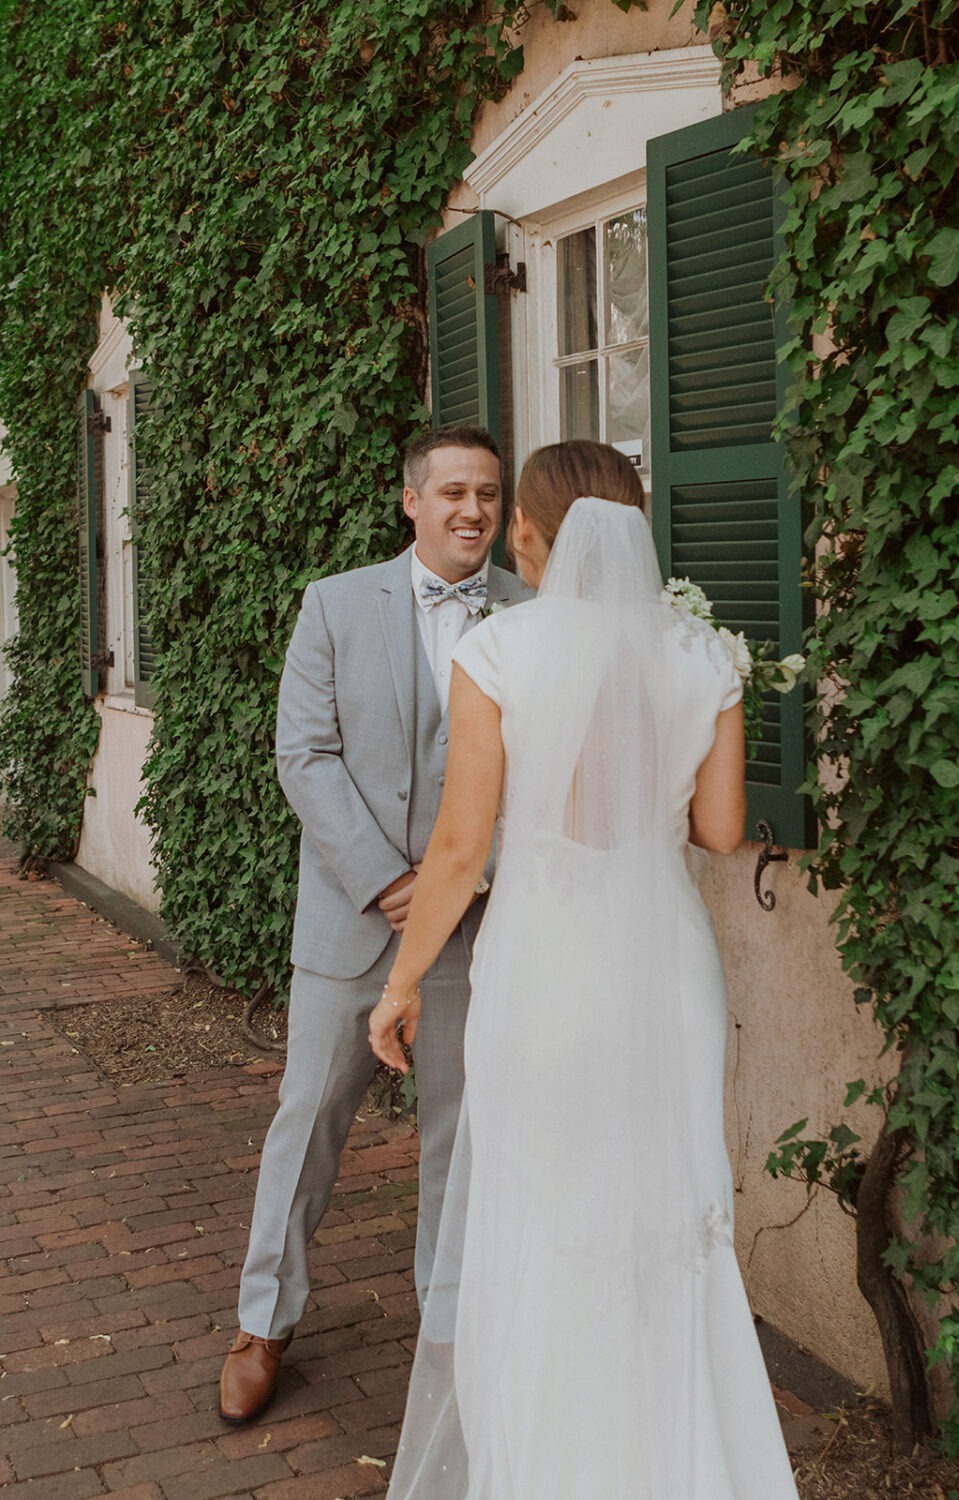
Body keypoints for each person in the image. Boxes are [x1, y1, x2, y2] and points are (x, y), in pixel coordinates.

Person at [369, 439, 800, 1498]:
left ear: (528, 530)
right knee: (664, 1229)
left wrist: (399, 982)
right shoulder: (706, 656)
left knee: (544, 1224)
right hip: (665, 970)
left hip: (548, 970)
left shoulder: (498, 653)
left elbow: (462, 852)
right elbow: (720, 828)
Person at [218, 425, 531, 1425]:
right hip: (353, 922)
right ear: (411, 501)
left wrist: (458, 880)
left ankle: (445, 1334)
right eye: (450, 492)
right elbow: (302, 753)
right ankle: (263, 1322)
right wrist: (385, 878)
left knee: (460, 1134)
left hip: (476, 929)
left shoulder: (532, 612)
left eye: (486, 492)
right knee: (306, 1119)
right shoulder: (334, 603)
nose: (471, 510)